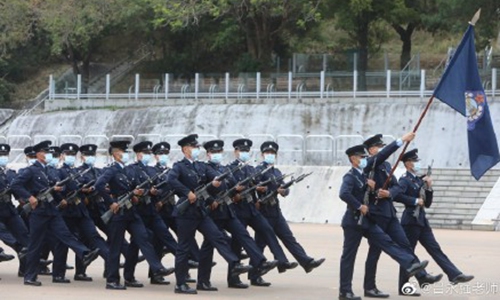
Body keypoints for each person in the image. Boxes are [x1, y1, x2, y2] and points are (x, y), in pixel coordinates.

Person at [338, 145, 430, 300]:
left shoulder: (363, 176)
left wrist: (373, 189)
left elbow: (370, 195)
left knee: (386, 241)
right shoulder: (350, 176)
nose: (364, 160)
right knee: (349, 257)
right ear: (353, 159)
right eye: (361, 157)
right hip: (353, 221)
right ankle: (345, 291)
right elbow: (344, 194)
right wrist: (360, 206)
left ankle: (410, 263)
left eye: (365, 157)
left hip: (368, 220)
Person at [167, 134, 251, 294]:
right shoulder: (179, 166)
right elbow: (171, 180)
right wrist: (187, 193)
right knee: (183, 248)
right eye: (193, 147)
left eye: (197, 147)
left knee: (217, 236)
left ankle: (235, 263)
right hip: (186, 214)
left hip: (200, 211)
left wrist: (215, 183)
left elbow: (213, 178)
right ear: (185, 149)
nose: (196, 150)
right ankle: (180, 284)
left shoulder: (200, 166)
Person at [10, 140, 100, 286]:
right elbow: (16, 185)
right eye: (45, 152)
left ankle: (84, 253)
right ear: (38, 154)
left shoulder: (48, 170)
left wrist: (57, 188)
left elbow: (54, 185)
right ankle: (29, 276)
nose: (48, 155)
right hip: (38, 212)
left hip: (52, 209)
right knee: (35, 244)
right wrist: (29, 197)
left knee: (65, 234)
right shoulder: (31, 170)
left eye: (49, 153)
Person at [362, 134, 441, 298]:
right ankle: (369, 287)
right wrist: (401, 141)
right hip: (376, 214)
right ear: (371, 150)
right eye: (378, 146)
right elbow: (380, 157)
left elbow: (396, 186)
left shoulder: (385, 165)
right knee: (375, 252)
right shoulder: (370, 163)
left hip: (389, 213)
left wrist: (389, 193)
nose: (381, 149)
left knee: (405, 245)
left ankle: (421, 275)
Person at [198, 139, 278, 291]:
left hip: (228, 211)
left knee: (243, 235)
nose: (217, 154)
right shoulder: (205, 168)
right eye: (214, 152)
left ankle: (260, 262)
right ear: (208, 154)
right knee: (208, 247)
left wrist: (239, 189)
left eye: (219, 152)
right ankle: (203, 281)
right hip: (213, 212)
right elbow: (201, 188)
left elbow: (231, 186)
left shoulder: (224, 169)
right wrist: (210, 199)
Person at [94, 140, 174, 290]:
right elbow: (99, 185)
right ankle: (112, 280)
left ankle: (157, 267)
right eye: (123, 152)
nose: (126, 155)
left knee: (144, 238)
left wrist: (137, 194)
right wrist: (110, 202)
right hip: (118, 213)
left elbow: (132, 187)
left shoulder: (127, 170)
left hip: (131, 211)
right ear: (116, 154)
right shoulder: (112, 170)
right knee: (116, 247)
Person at [396, 149, 474, 294]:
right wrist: (414, 200)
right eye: (415, 161)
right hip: (410, 221)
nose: (418, 163)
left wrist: (429, 187)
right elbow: (397, 195)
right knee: (408, 253)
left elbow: (427, 203)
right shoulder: (404, 180)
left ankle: (454, 274)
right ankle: (405, 287)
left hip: (422, 221)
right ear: (407, 163)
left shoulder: (419, 180)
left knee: (435, 249)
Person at [253, 141, 325, 286]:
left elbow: (285, 189)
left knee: (289, 238)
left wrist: (283, 190)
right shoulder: (257, 171)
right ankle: (254, 275)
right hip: (263, 211)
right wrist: (264, 190)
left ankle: (306, 262)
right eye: (267, 153)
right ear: (262, 154)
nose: (270, 155)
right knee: (260, 244)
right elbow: (253, 187)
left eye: (273, 153)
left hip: (275, 211)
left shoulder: (277, 172)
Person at [228, 138, 297, 288]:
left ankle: (279, 261)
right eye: (242, 150)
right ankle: (233, 278)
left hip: (252, 209)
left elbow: (255, 185)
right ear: (235, 152)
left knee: (267, 231)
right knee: (237, 243)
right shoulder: (230, 169)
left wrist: (259, 188)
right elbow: (227, 188)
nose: (244, 153)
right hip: (238, 210)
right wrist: (235, 193)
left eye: (247, 151)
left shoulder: (250, 169)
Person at [125, 141, 177, 286]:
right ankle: (129, 276)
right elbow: (128, 189)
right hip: (138, 211)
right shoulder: (131, 170)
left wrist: (155, 192)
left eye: (148, 153)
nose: (147, 155)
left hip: (151, 210)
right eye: (145, 153)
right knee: (136, 243)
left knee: (164, 236)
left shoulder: (151, 170)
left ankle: (183, 261)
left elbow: (160, 187)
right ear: (138, 154)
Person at [57, 143, 110, 283]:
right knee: (64, 243)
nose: (70, 157)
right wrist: (64, 197)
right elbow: (57, 187)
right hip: (67, 211)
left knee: (93, 236)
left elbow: (80, 185)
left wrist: (87, 190)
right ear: (62, 156)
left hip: (81, 210)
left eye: (72, 155)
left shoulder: (77, 172)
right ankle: (58, 274)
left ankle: (110, 262)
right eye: (67, 154)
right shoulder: (60, 171)